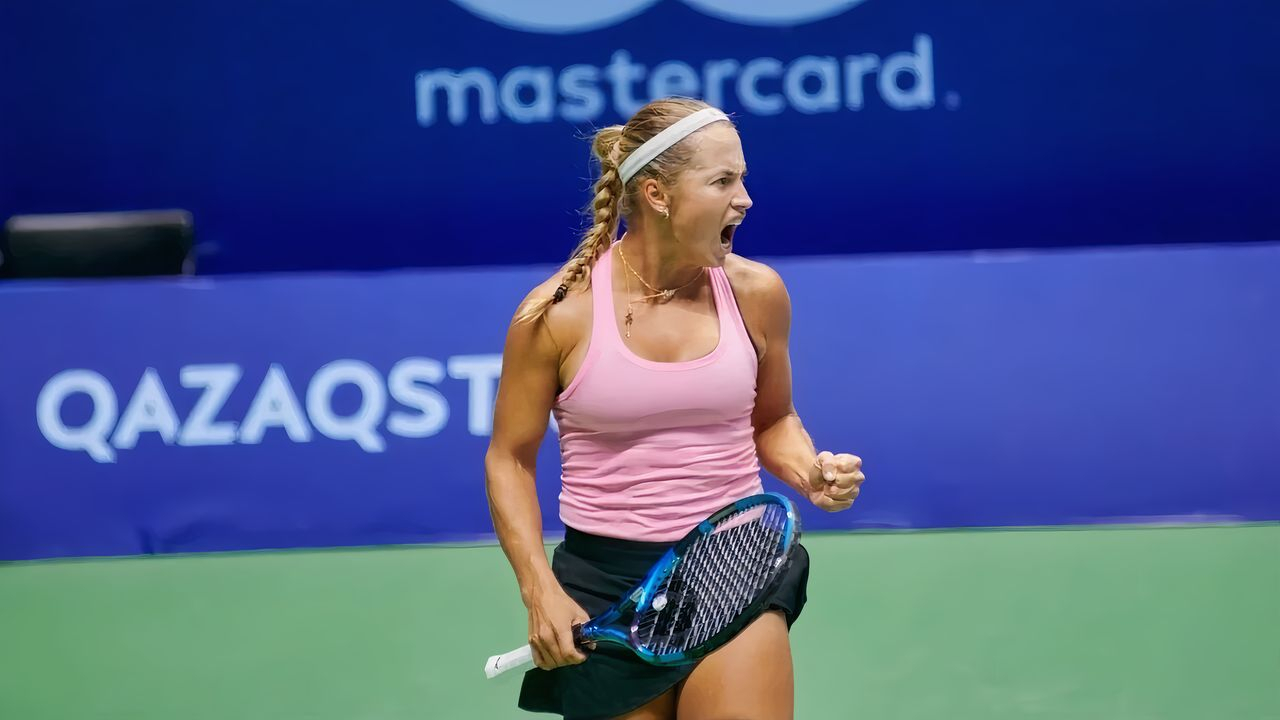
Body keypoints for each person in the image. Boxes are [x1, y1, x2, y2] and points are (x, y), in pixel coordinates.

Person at [485, 97, 866, 720]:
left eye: (743, 178)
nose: (746, 200)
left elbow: (773, 420)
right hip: (604, 583)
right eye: (723, 181)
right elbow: (510, 458)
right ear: (657, 194)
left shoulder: (757, 293)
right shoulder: (557, 314)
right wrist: (538, 590)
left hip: (732, 565)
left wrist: (811, 472)